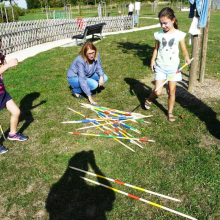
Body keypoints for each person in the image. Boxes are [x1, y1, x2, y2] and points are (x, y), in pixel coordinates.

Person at [145, 7, 191, 122]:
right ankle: (150, 98)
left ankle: (170, 112)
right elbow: (156, 49)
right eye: (161, 23)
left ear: (173, 20)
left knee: (172, 91)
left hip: (173, 68)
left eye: (165, 23)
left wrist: (186, 57)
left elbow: (184, 50)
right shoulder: (158, 35)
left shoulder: (179, 35)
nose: (163, 26)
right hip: (161, 67)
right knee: (158, 91)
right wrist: (152, 60)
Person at [0, 44, 28, 154]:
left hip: (2, 92)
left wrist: (3, 60)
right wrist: (7, 65)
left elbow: (4, 70)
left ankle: (12, 133)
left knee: (16, 111)